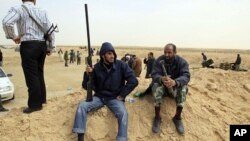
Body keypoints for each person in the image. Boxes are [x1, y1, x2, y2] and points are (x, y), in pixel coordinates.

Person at [73, 42, 138, 141]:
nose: (112, 56)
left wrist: (121, 95)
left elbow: (133, 81)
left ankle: (121, 139)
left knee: (123, 113)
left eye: (113, 53)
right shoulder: (96, 67)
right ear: (103, 55)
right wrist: (87, 74)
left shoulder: (121, 65)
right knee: (82, 106)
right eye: (109, 53)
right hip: (99, 97)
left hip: (114, 98)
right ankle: (80, 137)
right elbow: (85, 86)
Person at [2, 0, 55, 113]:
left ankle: (35, 105)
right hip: (41, 45)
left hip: (29, 45)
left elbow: (6, 22)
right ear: (34, 0)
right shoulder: (42, 11)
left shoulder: (19, 9)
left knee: (32, 76)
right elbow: (50, 29)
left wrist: (13, 36)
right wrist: (50, 47)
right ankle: (42, 99)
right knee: (39, 73)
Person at [151, 43, 190, 134]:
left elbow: (186, 76)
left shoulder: (182, 62)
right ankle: (157, 117)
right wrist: (161, 79)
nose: (166, 55)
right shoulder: (159, 61)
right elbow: (154, 74)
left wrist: (175, 82)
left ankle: (177, 117)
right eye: (165, 52)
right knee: (156, 86)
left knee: (183, 88)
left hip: (175, 87)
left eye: (169, 52)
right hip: (163, 87)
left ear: (175, 52)